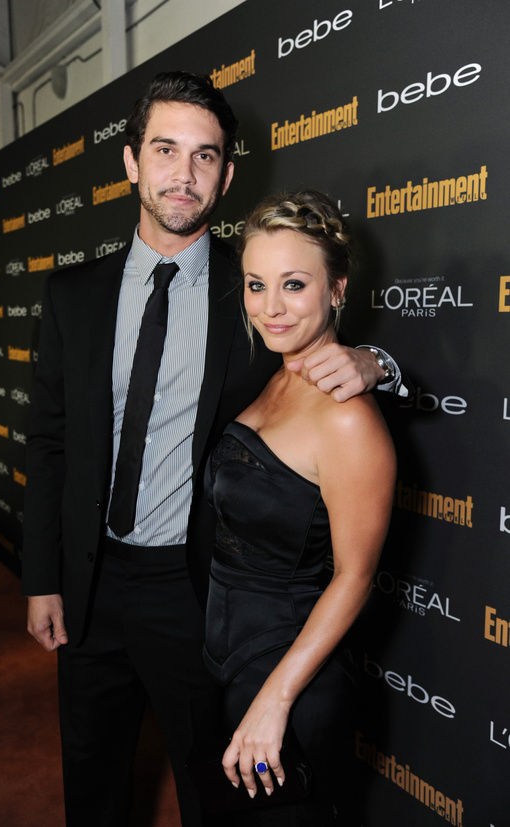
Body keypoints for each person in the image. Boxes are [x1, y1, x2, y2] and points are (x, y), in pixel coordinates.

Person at [22, 72, 404, 827]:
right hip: (89, 582)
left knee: (214, 789)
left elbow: (315, 342)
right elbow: (50, 440)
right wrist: (42, 577)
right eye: (165, 149)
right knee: (91, 778)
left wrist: (378, 364)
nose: (184, 173)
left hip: (197, 593)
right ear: (132, 162)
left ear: (228, 175)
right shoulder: (74, 295)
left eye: (206, 156)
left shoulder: (254, 289)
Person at [203, 190, 396, 825]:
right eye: (256, 285)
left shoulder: (347, 420)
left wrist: (274, 700)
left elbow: (355, 577)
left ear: (337, 289)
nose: (271, 308)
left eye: (294, 284)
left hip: (289, 681)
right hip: (230, 662)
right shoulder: (278, 372)